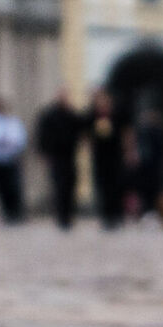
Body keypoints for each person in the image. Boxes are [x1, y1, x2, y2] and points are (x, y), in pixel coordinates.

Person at [35, 89, 82, 229]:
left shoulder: (71, 114)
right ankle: (61, 217)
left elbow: (80, 128)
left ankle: (69, 215)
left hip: (70, 156)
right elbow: (42, 135)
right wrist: (43, 153)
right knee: (60, 187)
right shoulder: (49, 115)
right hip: (56, 156)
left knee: (70, 186)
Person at [87, 89, 126, 228]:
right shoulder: (93, 116)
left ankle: (115, 216)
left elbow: (124, 134)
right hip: (100, 158)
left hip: (114, 157)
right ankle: (105, 216)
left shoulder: (116, 116)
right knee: (102, 188)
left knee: (115, 188)